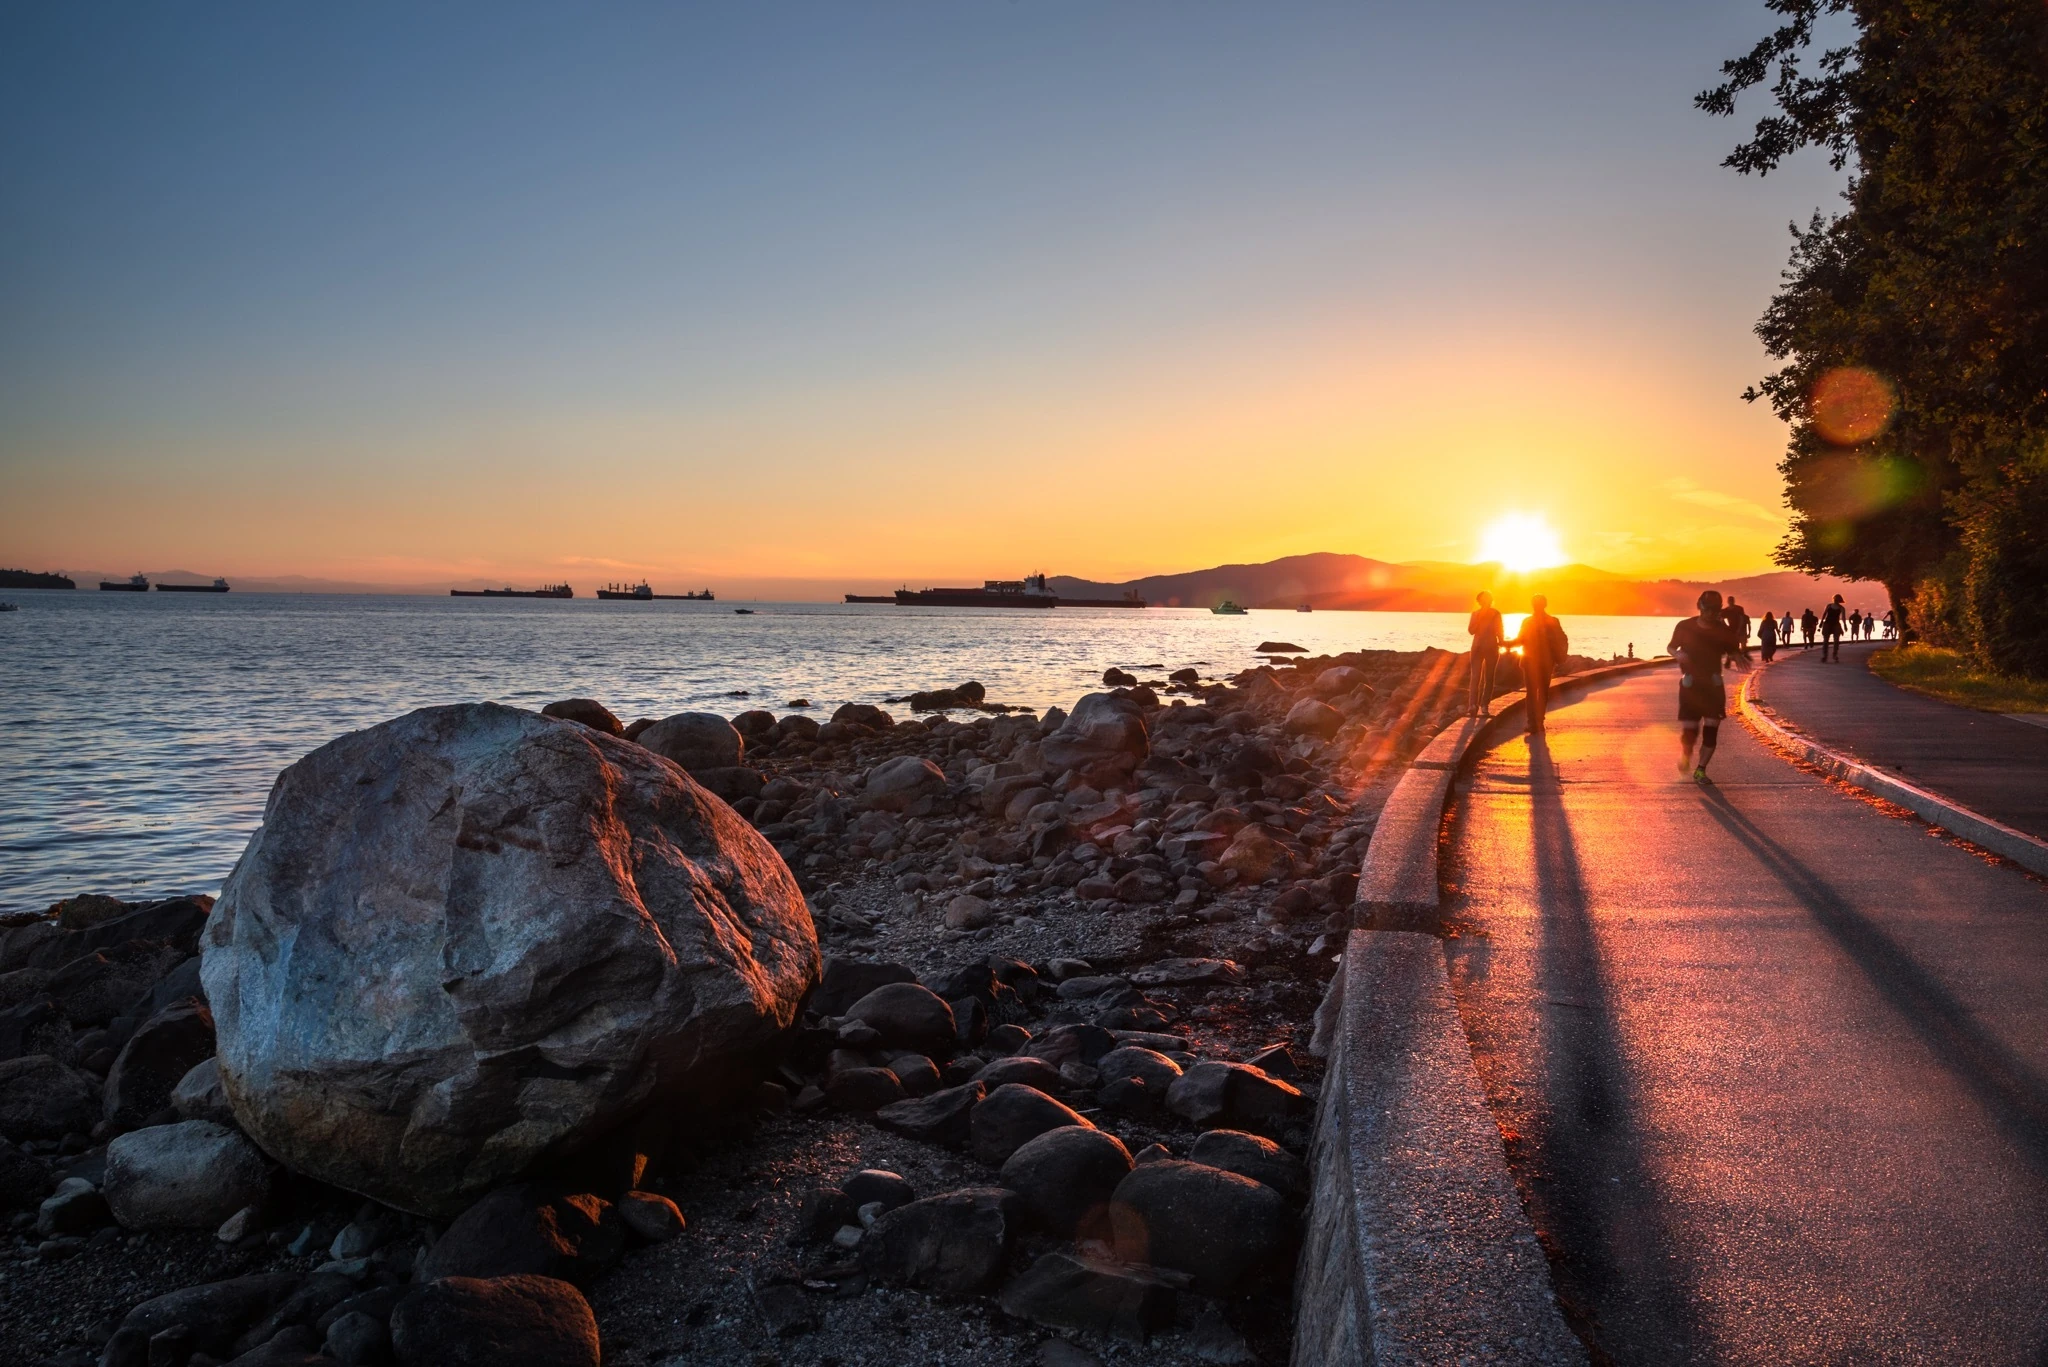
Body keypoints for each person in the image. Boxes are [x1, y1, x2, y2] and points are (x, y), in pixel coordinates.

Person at [1671, 589, 1745, 783]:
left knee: (1711, 728)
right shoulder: (1684, 626)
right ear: (1700, 606)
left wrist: (1738, 657)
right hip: (1690, 685)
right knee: (1690, 731)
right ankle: (1686, 756)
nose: (1710, 613)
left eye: (1714, 610)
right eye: (1708, 609)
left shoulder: (1723, 631)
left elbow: (1733, 651)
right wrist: (1677, 654)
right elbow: (1671, 646)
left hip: (1713, 685)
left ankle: (1701, 770)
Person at [1511, 594, 1569, 736]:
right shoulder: (1552, 621)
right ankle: (1539, 722)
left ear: (1533, 605)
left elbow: (1520, 640)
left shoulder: (1528, 621)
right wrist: (1561, 655)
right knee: (1543, 692)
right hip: (1546, 662)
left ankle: (1532, 722)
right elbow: (1563, 638)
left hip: (1530, 661)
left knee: (1531, 692)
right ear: (1545, 605)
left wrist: (1506, 644)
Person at [1467, 590, 1504, 718]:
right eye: (1483, 600)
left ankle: (1482, 705)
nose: (1485, 602)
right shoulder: (1476, 614)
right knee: (1477, 677)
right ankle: (1474, 705)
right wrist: (1478, 619)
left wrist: (1502, 641)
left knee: (1486, 677)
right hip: (1479, 648)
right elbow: (1471, 630)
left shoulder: (1495, 614)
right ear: (1479, 601)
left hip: (1489, 647)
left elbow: (1499, 629)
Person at [1821, 593, 1847, 661]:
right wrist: (1821, 623)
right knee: (1825, 641)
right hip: (1827, 623)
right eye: (1835, 599)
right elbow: (1824, 614)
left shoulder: (1841, 608)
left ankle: (1834, 655)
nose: (1835, 600)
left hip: (1836, 624)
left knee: (1836, 641)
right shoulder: (1829, 606)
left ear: (1839, 600)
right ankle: (1825, 655)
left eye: (1837, 599)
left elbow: (1843, 618)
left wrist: (1845, 625)